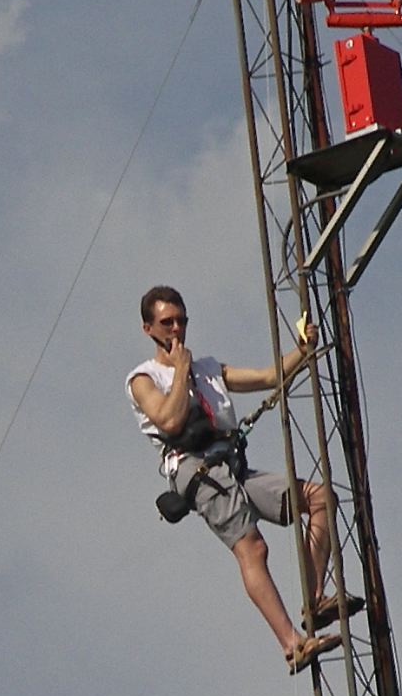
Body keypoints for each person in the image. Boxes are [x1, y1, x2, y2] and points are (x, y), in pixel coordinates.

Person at [127, 284, 351, 673]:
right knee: (252, 548)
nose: (176, 330)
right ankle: (292, 645)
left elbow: (268, 376)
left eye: (181, 321)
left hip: (231, 465)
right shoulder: (144, 379)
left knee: (320, 499)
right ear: (148, 328)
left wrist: (302, 349)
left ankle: (314, 599)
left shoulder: (208, 369)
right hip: (197, 470)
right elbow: (170, 420)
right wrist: (180, 371)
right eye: (167, 323)